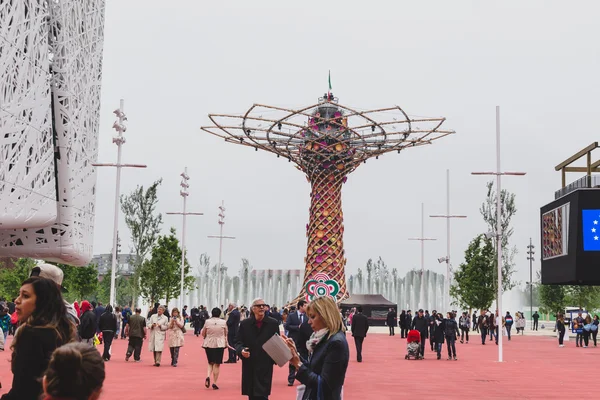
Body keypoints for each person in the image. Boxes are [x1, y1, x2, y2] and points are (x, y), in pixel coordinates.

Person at [1, 277, 75, 400]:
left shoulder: (30, 334)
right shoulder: (64, 331)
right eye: (19, 295)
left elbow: (23, 390)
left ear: (42, 302)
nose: (17, 301)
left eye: (25, 296)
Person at [285, 295, 349, 400]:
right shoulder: (324, 338)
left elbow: (324, 385)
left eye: (313, 317)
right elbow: (314, 368)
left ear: (325, 316)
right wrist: (296, 355)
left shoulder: (335, 342)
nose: (309, 322)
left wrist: (298, 364)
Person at [234, 297, 280, 400]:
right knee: (252, 395)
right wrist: (241, 351)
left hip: (265, 365)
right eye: (259, 306)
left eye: (264, 305)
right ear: (253, 309)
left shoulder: (273, 323)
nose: (262, 307)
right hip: (250, 364)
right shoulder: (245, 324)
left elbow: (278, 342)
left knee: (263, 395)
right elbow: (238, 342)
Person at [285, 300, 311, 385]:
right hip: (294, 341)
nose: (307, 307)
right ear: (300, 306)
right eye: (305, 305)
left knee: (304, 359)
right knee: (292, 359)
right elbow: (287, 326)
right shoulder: (292, 316)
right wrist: (297, 327)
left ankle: (303, 378)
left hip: (304, 342)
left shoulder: (308, 317)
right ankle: (291, 379)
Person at [202, 307, 228, 390]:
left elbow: (203, 333)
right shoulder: (223, 322)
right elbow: (225, 333)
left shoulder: (207, 321)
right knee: (217, 364)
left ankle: (208, 376)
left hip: (209, 343)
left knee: (210, 362)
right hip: (219, 344)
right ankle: (215, 382)